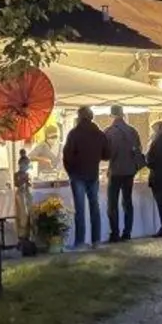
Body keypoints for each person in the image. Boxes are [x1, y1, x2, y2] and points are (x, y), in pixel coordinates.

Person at [62, 106, 111, 249]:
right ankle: (96, 240)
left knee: (80, 210)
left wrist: (71, 171)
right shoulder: (99, 134)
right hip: (93, 174)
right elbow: (107, 155)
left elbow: (67, 156)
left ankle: (80, 241)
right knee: (94, 208)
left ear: (79, 116)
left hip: (77, 175)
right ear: (91, 117)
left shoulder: (74, 134)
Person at [103, 105, 145, 242]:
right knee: (127, 202)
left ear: (111, 116)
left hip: (115, 171)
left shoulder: (108, 132)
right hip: (130, 171)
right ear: (123, 114)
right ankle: (127, 232)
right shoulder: (133, 131)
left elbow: (106, 154)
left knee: (112, 204)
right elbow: (139, 149)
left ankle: (115, 233)